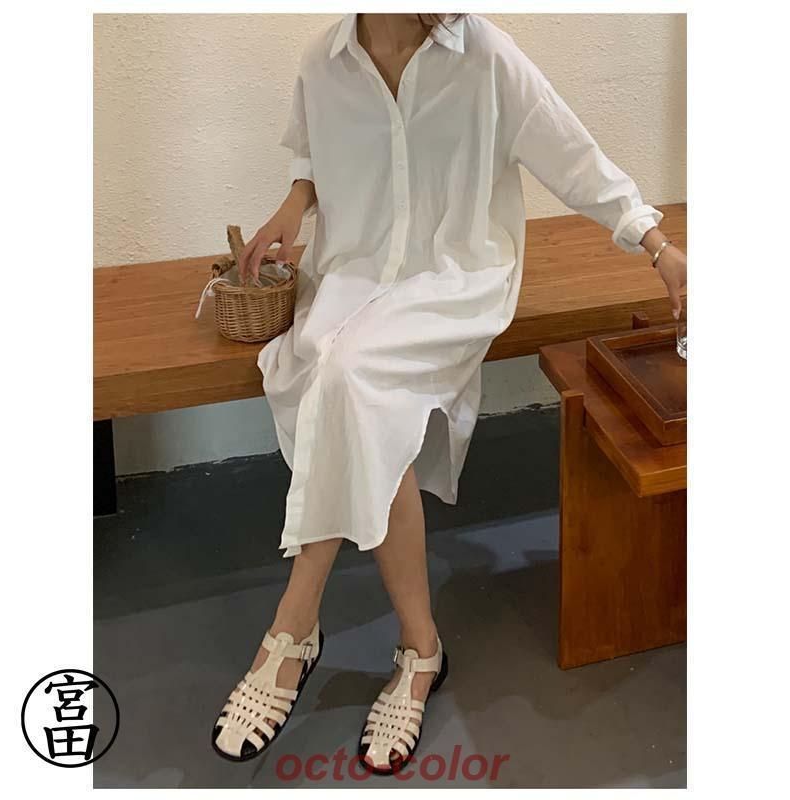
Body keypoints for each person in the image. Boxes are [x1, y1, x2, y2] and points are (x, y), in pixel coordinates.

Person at [211, 12, 687, 774]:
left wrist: (657, 246)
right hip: (355, 272)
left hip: (454, 278)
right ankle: (419, 646)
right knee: (356, 393)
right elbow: (313, 157)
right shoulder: (323, 61)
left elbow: (572, 154)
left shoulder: (484, 55)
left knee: (347, 375)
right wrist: (295, 204)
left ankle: (293, 627)